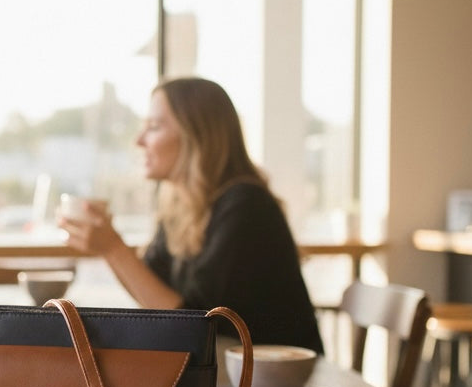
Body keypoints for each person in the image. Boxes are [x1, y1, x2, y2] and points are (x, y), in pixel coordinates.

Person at [60, 76, 324, 353]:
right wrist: (107, 247)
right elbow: (155, 296)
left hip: (280, 380)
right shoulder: (182, 208)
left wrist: (113, 248)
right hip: (231, 372)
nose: (139, 141)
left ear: (196, 135)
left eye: (154, 127)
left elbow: (195, 325)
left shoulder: (246, 205)